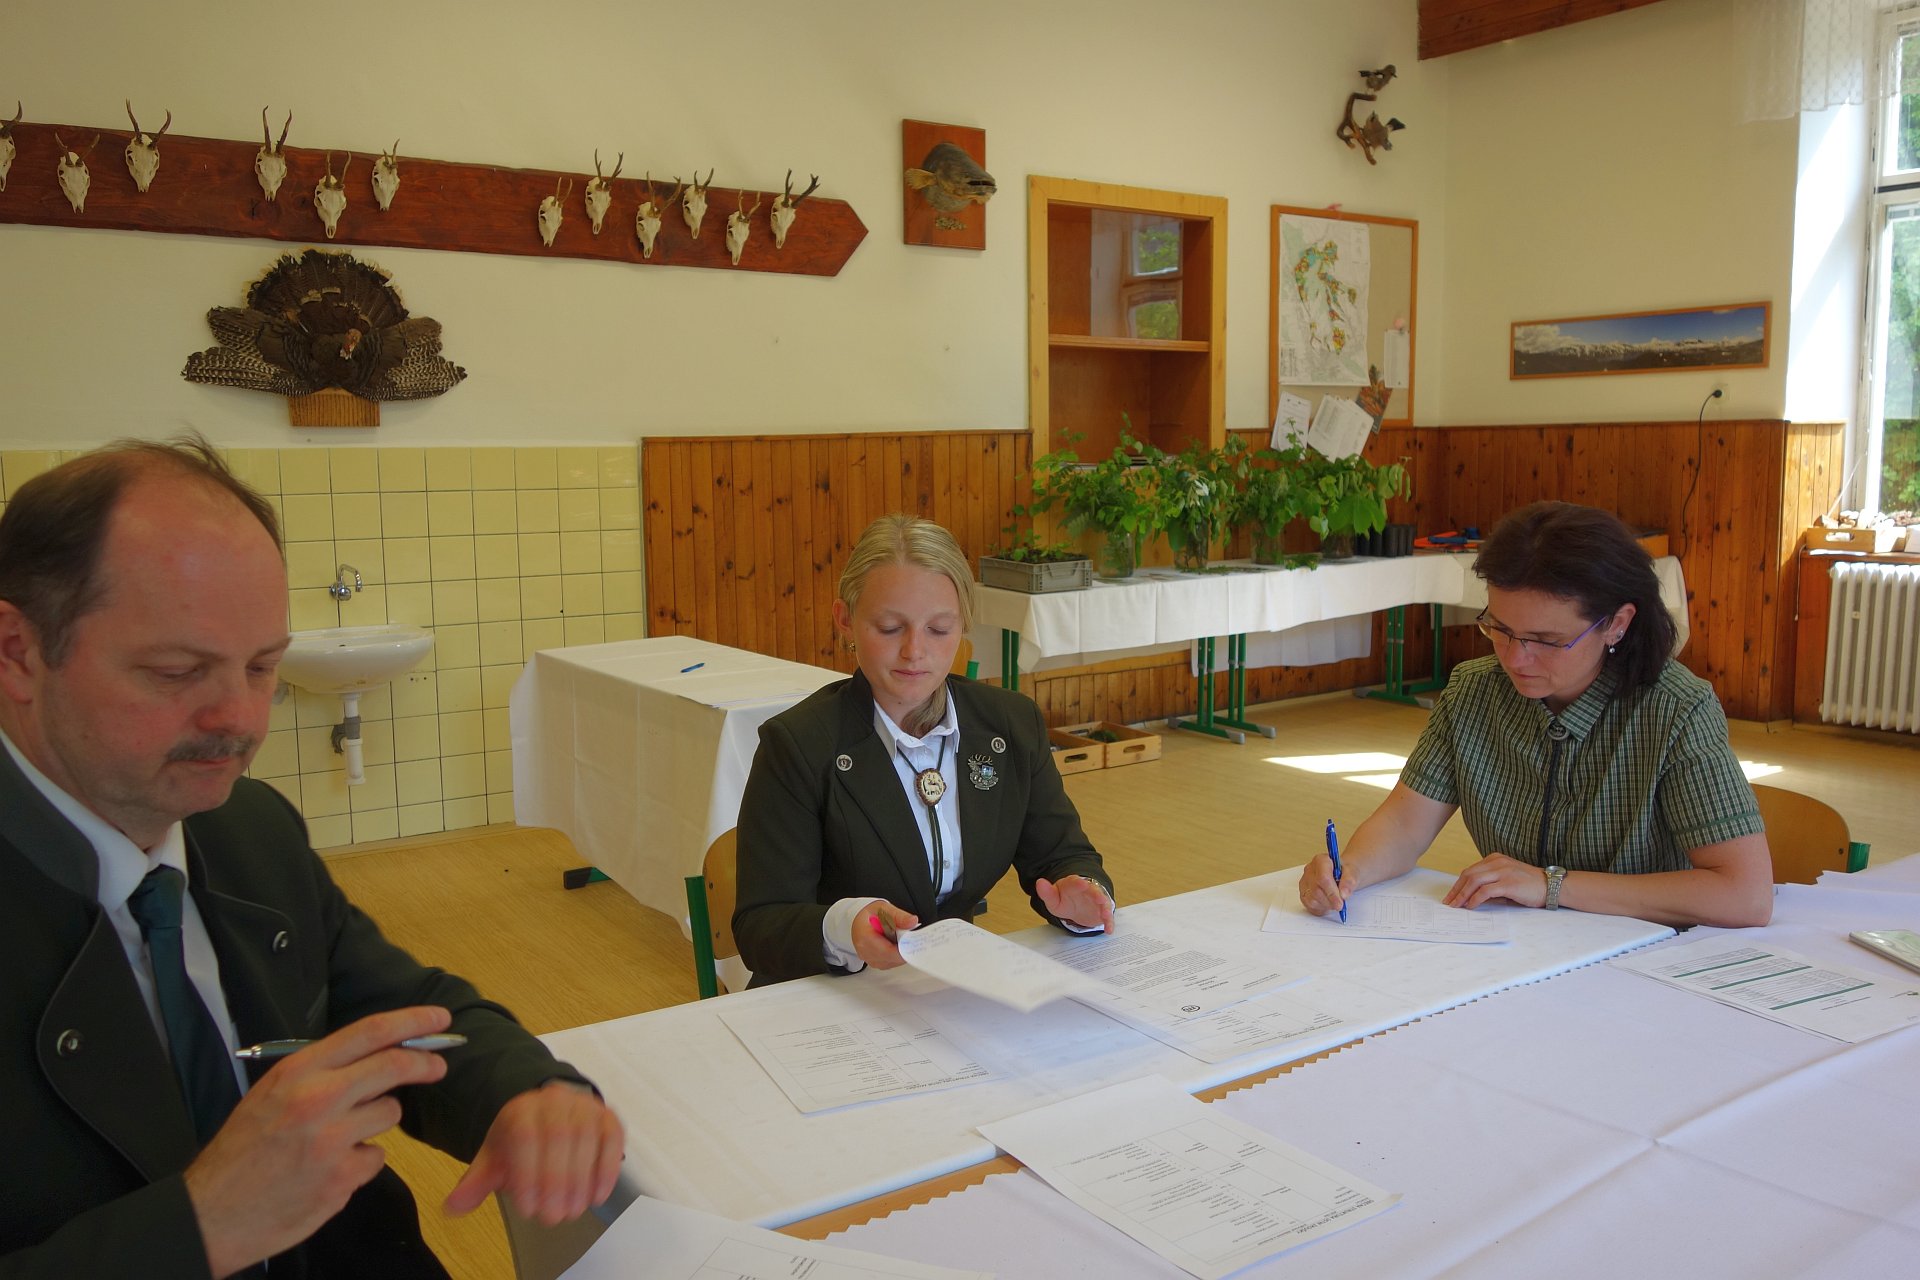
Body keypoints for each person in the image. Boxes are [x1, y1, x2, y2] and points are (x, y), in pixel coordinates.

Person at [0, 438, 624, 1278]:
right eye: (176, 671)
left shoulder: (246, 830)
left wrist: (525, 1090)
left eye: (264, 666)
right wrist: (200, 1228)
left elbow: (396, 1006)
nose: (238, 718)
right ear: (18, 652)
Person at [1298, 500, 1772, 930]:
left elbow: (1745, 896)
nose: (1515, 659)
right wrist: (1349, 871)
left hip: (1642, 955)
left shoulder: (1677, 709)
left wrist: (1551, 886)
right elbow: (1404, 826)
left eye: (1546, 640)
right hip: (1522, 949)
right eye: (1500, 629)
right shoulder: (1474, 691)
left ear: (1617, 623)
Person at [733, 514, 1115, 984]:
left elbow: (1061, 856)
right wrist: (844, 927)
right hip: (829, 991)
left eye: (939, 629)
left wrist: (1083, 895)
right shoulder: (798, 745)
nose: (915, 651)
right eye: (890, 627)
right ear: (845, 621)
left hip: (945, 986)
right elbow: (761, 925)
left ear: (963, 625)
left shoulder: (1010, 725)